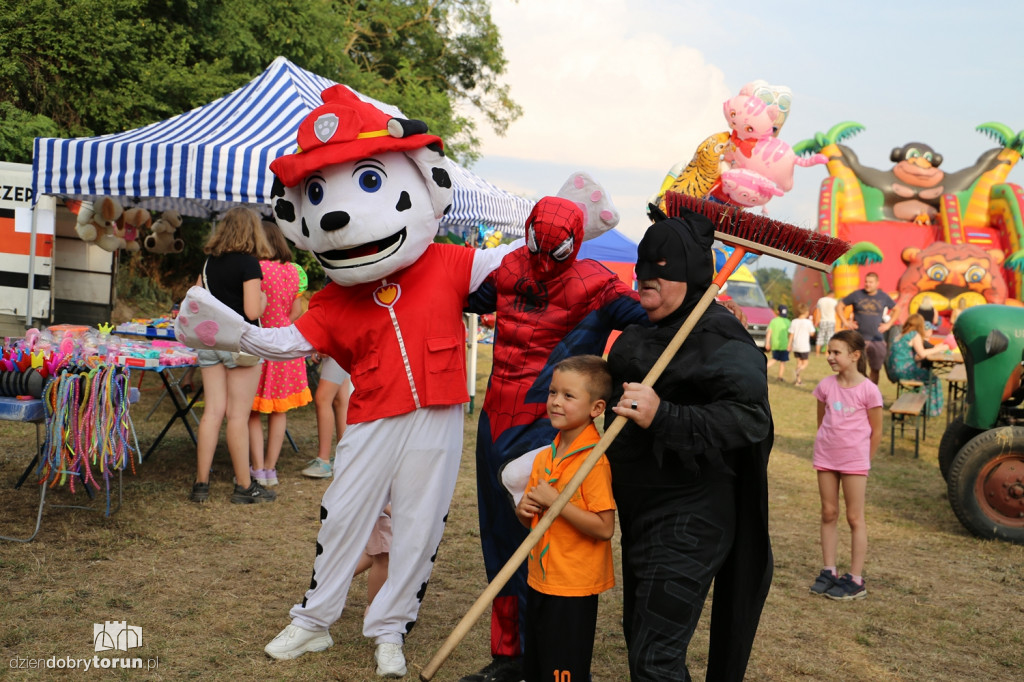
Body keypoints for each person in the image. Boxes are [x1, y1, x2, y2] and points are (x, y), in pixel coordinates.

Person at [461, 195, 646, 682]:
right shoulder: (508, 268)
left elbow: (652, 317)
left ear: (575, 243)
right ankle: (510, 653)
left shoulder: (596, 283)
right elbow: (457, 294)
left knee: (543, 540)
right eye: (535, 245)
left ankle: (538, 655)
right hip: (496, 421)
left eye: (555, 251)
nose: (542, 261)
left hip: (550, 426)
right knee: (499, 538)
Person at [605, 210, 773, 680]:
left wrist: (666, 414)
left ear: (690, 274)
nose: (645, 280)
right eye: (641, 269)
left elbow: (749, 418)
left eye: (660, 269)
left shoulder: (722, 338)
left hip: (692, 515)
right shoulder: (641, 333)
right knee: (640, 640)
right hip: (640, 512)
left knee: (654, 660)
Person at [513, 355, 615, 682]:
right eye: (553, 392)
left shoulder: (594, 462)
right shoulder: (545, 457)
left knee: (564, 671)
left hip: (573, 587)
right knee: (539, 665)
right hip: (541, 577)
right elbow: (532, 520)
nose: (556, 402)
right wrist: (524, 510)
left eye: (569, 396)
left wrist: (556, 502)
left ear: (596, 409)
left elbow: (604, 528)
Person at [190, 207, 275, 504]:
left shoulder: (208, 263)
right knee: (237, 416)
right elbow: (252, 311)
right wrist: (263, 300)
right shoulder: (250, 265)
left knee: (212, 412)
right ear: (253, 231)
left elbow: (196, 300)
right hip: (239, 344)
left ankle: (201, 483)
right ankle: (243, 486)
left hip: (210, 341)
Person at [809, 330, 883, 600]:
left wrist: (864, 460)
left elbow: (877, 432)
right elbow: (822, 423)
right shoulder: (825, 386)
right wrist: (825, 446)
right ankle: (829, 571)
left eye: (836, 352)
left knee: (854, 517)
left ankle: (855, 578)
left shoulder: (869, 391)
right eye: (829, 352)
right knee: (828, 512)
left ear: (854, 356)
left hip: (854, 462)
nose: (830, 357)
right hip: (826, 458)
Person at [248, 221, 312, 486]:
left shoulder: (255, 270)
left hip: (260, 344)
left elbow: (252, 309)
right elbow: (297, 311)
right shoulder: (295, 272)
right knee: (279, 411)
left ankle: (257, 467)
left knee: (252, 410)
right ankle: (271, 470)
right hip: (286, 347)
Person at [885, 314, 946, 417]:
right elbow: (922, 353)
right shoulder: (914, 334)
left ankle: (921, 405)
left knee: (926, 377)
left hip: (894, 371)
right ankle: (931, 411)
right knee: (933, 379)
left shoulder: (899, 335)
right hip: (906, 371)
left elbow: (906, 355)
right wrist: (940, 348)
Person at [840, 272, 895, 384]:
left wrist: (888, 325)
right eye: (866, 281)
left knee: (875, 369)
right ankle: (857, 394)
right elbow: (839, 306)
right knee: (858, 368)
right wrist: (846, 322)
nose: (867, 284)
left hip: (877, 339)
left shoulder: (883, 296)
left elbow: (897, 309)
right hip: (859, 338)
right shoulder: (857, 295)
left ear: (877, 283)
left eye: (870, 282)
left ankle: (871, 394)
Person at [303, 355, 352, 478]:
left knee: (323, 398)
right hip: (341, 346)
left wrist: (321, 347)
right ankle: (345, 458)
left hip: (336, 345)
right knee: (340, 400)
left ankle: (323, 460)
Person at [788, 302, 815, 386]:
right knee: (805, 363)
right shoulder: (808, 322)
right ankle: (797, 372)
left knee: (799, 363)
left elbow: (791, 334)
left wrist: (789, 345)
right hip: (804, 346)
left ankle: (798, 381)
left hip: (796, 346)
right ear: (806, 312)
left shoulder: (794, 321)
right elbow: (812, 333)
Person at [764, 304, 791, 382]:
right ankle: (780, 377)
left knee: (774, 359)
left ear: (777, 312)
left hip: (775, 345)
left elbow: (769, 332)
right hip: (784, 345)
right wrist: (790, 344)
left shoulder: (773, 321)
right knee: (783, 362)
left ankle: (762, 369)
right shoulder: (788, 322)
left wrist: (767, 343)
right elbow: (790, 334)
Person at [814, 287, 838, 355]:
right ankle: (826, 353)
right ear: (832, 295)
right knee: (829, 337)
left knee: (820, 337)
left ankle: (817, 353)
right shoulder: (834, 301)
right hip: (831, 321)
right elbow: (836, 313)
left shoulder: (820, 300)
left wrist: (816, 321)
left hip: (822, 321)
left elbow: (818, 312)